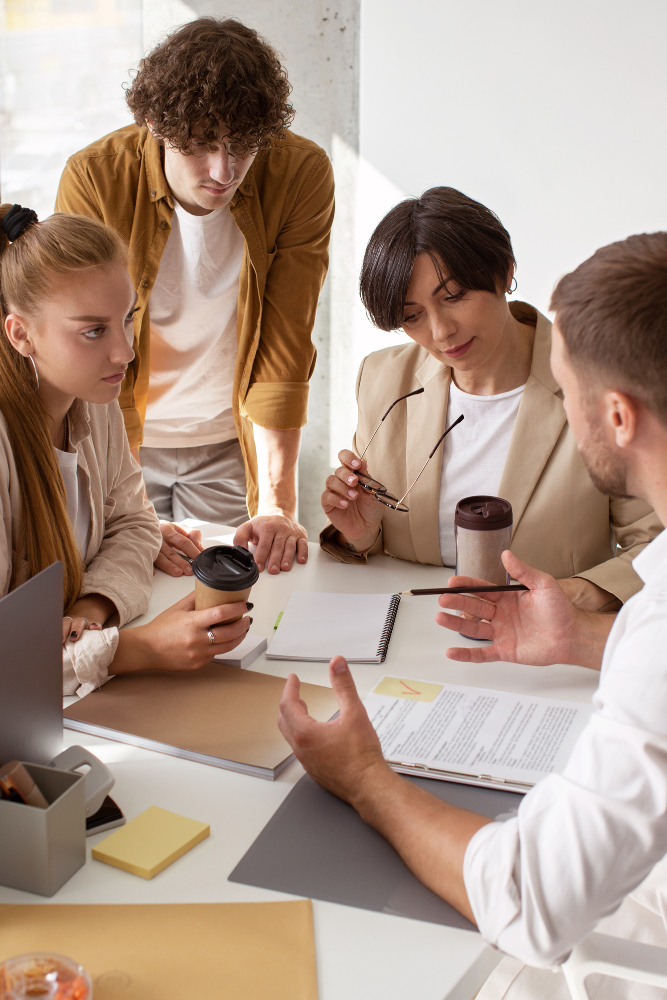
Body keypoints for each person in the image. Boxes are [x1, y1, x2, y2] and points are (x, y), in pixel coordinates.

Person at [279, 232, 667, 988]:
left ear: (614, 415)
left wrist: (364, 778)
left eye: (564, 384)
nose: (441, 331)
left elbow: (528, 898)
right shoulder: (389, 381)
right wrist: (587, 639)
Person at [56, 16, 334, 580]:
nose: (224, 171)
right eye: (203, 146)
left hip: (228, 441)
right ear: (156, 125)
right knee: (124, 595)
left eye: (244, 147)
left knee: (239, 599)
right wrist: (127, 510)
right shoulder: (94, 178)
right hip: (116, 440)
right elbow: (80, 343)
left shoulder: (300, 173)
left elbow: (287, 339)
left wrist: (277, 504)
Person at [320, 188, 661, 610]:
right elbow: (385, 541)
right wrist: (362, 533)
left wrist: (569, 598)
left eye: (454, 296)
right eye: (412, 316)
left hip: (548, 647)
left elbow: (656, 544)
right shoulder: (383, 378)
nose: (441, 331)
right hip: (414, 632)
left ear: (503, 272)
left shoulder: (596, 377)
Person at [0, 205, 252, 698]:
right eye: (94, 331)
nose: (125, 352)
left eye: (128, 318)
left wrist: (95, 607)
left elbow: (135, 523)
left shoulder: (93, 402)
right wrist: (137, 650)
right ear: (21, 334)